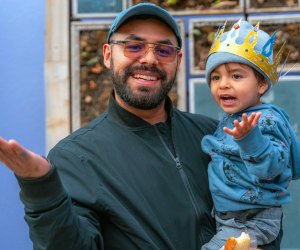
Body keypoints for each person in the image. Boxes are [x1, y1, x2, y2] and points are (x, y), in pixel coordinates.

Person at [0, 4, 282, 249]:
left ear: (177, 60)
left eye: (163, 49)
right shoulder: (76, 158)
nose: (149, 59)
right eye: (133, 46)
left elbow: (258, 212)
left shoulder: (216, 135)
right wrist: (41, 188)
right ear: (109, 55)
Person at [201, 19, 300, 249]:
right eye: (216, 77)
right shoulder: (235, 117)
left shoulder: (264, 120)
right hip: (231, 218)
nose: (223, 84)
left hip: (253, 220)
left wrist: (250, 139)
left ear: (262, 84)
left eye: (236, 76)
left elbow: (273, 167)